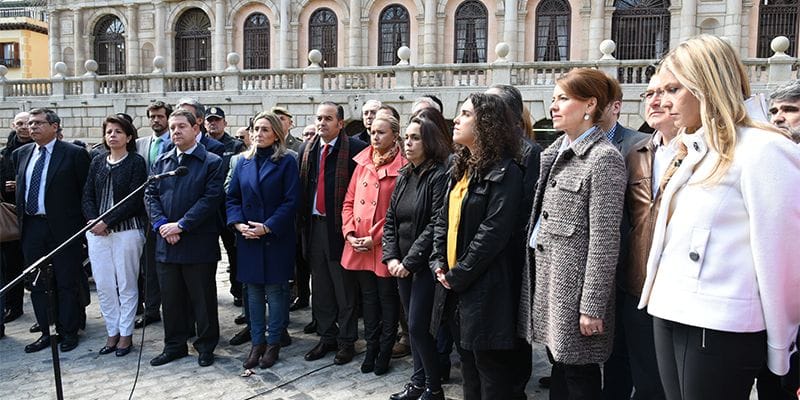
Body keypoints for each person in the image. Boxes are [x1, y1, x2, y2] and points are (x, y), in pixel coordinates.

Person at [638, 34, 800, 400]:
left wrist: (781, 349)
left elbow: (783, 260)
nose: (662, 101)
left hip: (721, 324)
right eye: (660, 89)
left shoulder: (765, 149)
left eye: (674, 88)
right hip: (669, 308)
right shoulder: (694, 148)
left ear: (706, 84)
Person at [518, 68, 627, 399]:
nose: (554, 106)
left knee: (580, 374)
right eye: (553, 99)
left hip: (576, 292)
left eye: (563, 98)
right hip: (551, 284)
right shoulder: (553, 154)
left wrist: (592, 304)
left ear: (590, 105)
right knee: (559, 367)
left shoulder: (603, 158)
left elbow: (605, 240)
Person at [429, 93, 523, 399]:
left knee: (490, 370)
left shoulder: (506, 172)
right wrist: (439, 262)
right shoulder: (461, 166)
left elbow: (493, 233)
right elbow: (442, 220)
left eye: (466, 114)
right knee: (467, 365)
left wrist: (459, 274)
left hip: (485, 287)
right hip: (455, 284)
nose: (456, 119)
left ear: (486, 123)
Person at [145, 108, 225, 367]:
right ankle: (175, 345)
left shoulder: (212, 161)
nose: (175, 131)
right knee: (171, 299)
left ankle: (205, 345)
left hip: (197, 242)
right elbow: (151, 195)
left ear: (196, 129)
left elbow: (210, 199)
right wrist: (161, 225)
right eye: (172, 127)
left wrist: (181, 226)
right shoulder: (162, 161)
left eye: (181, 126)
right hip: (166, 243)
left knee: (202, 298)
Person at [384, 108, 451, 400]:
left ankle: (433, 388)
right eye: (406, 137)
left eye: (415, 138)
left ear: (430, 142)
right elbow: (391, 220)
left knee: (418, 327)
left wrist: (410, 261)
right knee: (412, 328)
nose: (408, 143)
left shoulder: (439, 175)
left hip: (423, 265)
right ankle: (417, 382)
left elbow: (437, 221)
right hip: (401, 265)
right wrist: (391, 257)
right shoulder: (404, 174)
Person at [618, 72, 677, 400]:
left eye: (667, 91)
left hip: (683, 293)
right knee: (647, 384)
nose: (654, 100)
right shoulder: (636, 153)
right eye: (649, 93)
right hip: (639, 286)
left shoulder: (708, 154)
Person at [12, 108, 91, 353]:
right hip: (31, 226)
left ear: (54, 126)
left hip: (64, 228)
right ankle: (47, 331)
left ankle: (68, 331)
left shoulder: (74, 154)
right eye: (29, 123)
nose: (31, 127)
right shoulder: (21, 154)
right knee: (37, 281)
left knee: (66, 280)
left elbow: (85, 192)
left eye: (38, 123)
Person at [227, 111, 299, 369]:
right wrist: (237, 224)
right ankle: (257, 343)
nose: (259, 133)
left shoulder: (288, 161)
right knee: (253, 292)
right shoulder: (242, 162)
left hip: (275, 236)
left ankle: (274, 343)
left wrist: (267, 227)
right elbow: (232, 197)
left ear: (276, 134)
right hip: (247, 237)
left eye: (265, 129)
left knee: (276, 292)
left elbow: (291, 201)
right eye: (256, 128)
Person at [485, 83, 543, 400]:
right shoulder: (490, 149)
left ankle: (517, 384)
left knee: (517, 324)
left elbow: (527, 208)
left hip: (515, 254)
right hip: (493, 253)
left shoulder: (529, 152)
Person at [298, 102, 367, 365]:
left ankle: (347, 341)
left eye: (328, 118)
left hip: (340, 229)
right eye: (319, 118)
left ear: (340, 123)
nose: (322, 123)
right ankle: (327, 336)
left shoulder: (356, 150)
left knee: (344, 288)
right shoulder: (307, 150)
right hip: (314, 226)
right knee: (322, 287)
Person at [341, 114, 408, 375]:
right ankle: (370, 348)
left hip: (383, 246)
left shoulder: (402, 167)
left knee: (387, 300)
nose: (375, 137)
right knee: (368, 301)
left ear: (394, 134)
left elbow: (397, 210)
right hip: (358, 244)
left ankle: (384, 350)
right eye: (372, 132)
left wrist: (375, 238)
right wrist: (349, 233)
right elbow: (348, 201)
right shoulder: (362, 163)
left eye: (381, 132)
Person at [83, 115, 148, 357]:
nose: (113, 135)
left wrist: (107, 221)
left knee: (126, 284)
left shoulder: (136, 162)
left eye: (118, 132)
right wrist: (94, 221)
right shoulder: (97, 161)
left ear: (129, 137)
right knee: (104, 285)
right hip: (97, 233)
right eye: (109, 131)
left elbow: (134, 199)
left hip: (127, 231)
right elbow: (87, 195)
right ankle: (112, 331)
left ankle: (126, 334)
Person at [134, 100, 173, 329]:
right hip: (145, 211)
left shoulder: (176, 142)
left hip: (170, 212)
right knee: (147, 265)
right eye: (152, 116)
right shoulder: (141, 143)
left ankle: (172, 308)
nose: (156, 120)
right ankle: (151, 309)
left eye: (160, 116)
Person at [205, 106, 246, 309]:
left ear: (224, 123)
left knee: (234, 252)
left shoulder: (236, 146)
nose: (213, 124)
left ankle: (238, 292)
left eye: (217, 120)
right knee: (207, 254)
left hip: (227, 208)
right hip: (207, 210)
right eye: (210, 120)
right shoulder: (200, 145)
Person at [1, 111, 31, 324]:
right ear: (13, 125)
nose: (22, 127)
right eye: (19, 123)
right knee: (11, 264)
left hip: (33, 213)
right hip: (10, 214)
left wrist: (20, 185)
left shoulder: (37, 150)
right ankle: (13, 305)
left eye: (26, 123)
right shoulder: (5, 153)